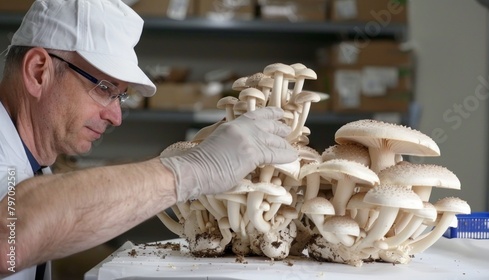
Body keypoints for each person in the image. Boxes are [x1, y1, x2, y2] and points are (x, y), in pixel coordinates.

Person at [0, 0, 297, 279]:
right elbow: (9, 239)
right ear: (38, 72)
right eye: (104, 89)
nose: (115, 117)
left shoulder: (31, 161)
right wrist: (192, 170)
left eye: (121, 96)